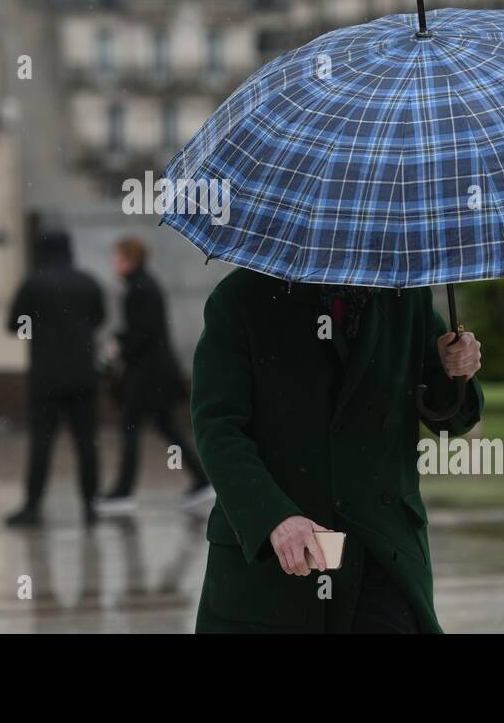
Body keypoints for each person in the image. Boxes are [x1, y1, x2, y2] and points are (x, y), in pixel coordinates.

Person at [190, 269, 483, 634]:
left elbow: (448, 419)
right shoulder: (239, 297)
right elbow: (218, 429)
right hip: (277, 564)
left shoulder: (406, 293)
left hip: (383, 553)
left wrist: (455, 369)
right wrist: (274, 518)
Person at [95, 237, 213, 516]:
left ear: (130, 259)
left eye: (118, 257)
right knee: (165, 426)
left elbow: (143, 333)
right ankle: (201, 479)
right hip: (155, 371)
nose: (114, 263)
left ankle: (123, 491)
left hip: (147, 373)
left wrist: (118, 346)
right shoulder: (142, 284)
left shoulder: (140, 287)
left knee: (132, 426)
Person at [4, 230, 105, 528]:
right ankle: (90, 506)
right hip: (84, 376)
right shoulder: (88, 282)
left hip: (46, 378)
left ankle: (32, 507)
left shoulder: (34, 283)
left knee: (41, 444)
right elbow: (99, 318)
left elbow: (13, 324)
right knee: (86, 443)